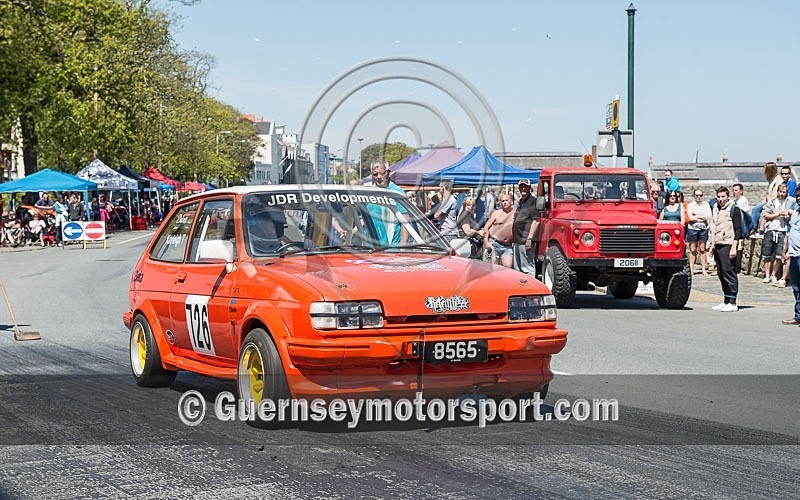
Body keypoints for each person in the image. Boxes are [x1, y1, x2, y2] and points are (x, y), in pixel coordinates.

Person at [710, 186, 743, 312]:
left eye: (723, 196)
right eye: (718, 197)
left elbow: (738, 230)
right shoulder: (716, 208)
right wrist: (712, 245)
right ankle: (726, 300)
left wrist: (734, 247)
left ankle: (733, 302)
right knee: (721, 273)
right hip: (718, 243)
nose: (721, 199)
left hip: (728, 244)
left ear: (728, 197)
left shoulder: (734, 209)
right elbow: (714, 228)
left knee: (729, 272)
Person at [761, 183, 797, 284]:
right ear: (777, 192)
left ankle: (774, 274)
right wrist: (777, 214)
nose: (781, 194)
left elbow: (794, 214)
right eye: (780, 192)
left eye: (784, 192)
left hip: (782, 230)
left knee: (779, 255)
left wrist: (787, 215)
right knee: (767, 254)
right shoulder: (772, 201)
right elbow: (765, 215)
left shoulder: (791, 201)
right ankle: (767, 275)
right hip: (771, 229)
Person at [367, 159, 407, 245]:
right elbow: (365, 219)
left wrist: (403, 245)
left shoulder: (397, 192)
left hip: (391, 248)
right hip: (370, 248)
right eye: (375, 174)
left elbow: (405, 221)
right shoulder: (368, 193)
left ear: (388, 173)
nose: (379, 177)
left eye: (382, 173)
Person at [512, 178, 539, 275]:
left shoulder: (533, 201)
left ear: (529, 188)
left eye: (525, 187)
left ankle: (531, 284)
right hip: (517, 240)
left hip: (525, 240)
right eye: (521, 186)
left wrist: (529, 239)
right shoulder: (520, 202)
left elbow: (536, 221)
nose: (523, 188)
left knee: (527, 268)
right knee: (518, 269)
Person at [482, 193, 515, 267]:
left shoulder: (516, 213)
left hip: (508, 245)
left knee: (508, 266)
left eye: (506, 200)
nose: (505, 202)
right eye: (503, 201)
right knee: (494, 267)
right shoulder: (496, 213)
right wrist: (486, 242)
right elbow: (486, 228)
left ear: (511, 201)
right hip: (495, 243)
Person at [750, 162, 782, 236]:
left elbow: (776, 193)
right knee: (756, 209)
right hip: (768, 200)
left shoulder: (778, 180)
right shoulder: (771, 180)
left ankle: (754, 228)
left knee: (755, 209)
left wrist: (769, 199)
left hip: (772, 202)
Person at [781, 208, 800, 324]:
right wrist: (785, 249)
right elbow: (789, 233)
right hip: (794, 255)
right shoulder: (795, 213)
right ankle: (798, 317)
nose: (798, 199)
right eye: (797, 198)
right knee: (796, 287)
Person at [686, 190, 712, 276]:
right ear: (694, 196)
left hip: (703, 228)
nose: (698, 197)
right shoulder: (690, 205)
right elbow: (690, 218)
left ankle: (704, 269)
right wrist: (702, 217)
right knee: (692, 250)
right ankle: (691, 269)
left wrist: (696, 216)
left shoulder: (706, 205)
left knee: (702, 249)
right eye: (697, 195)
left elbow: (708, 216)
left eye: (700, 195)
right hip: (693, 229)